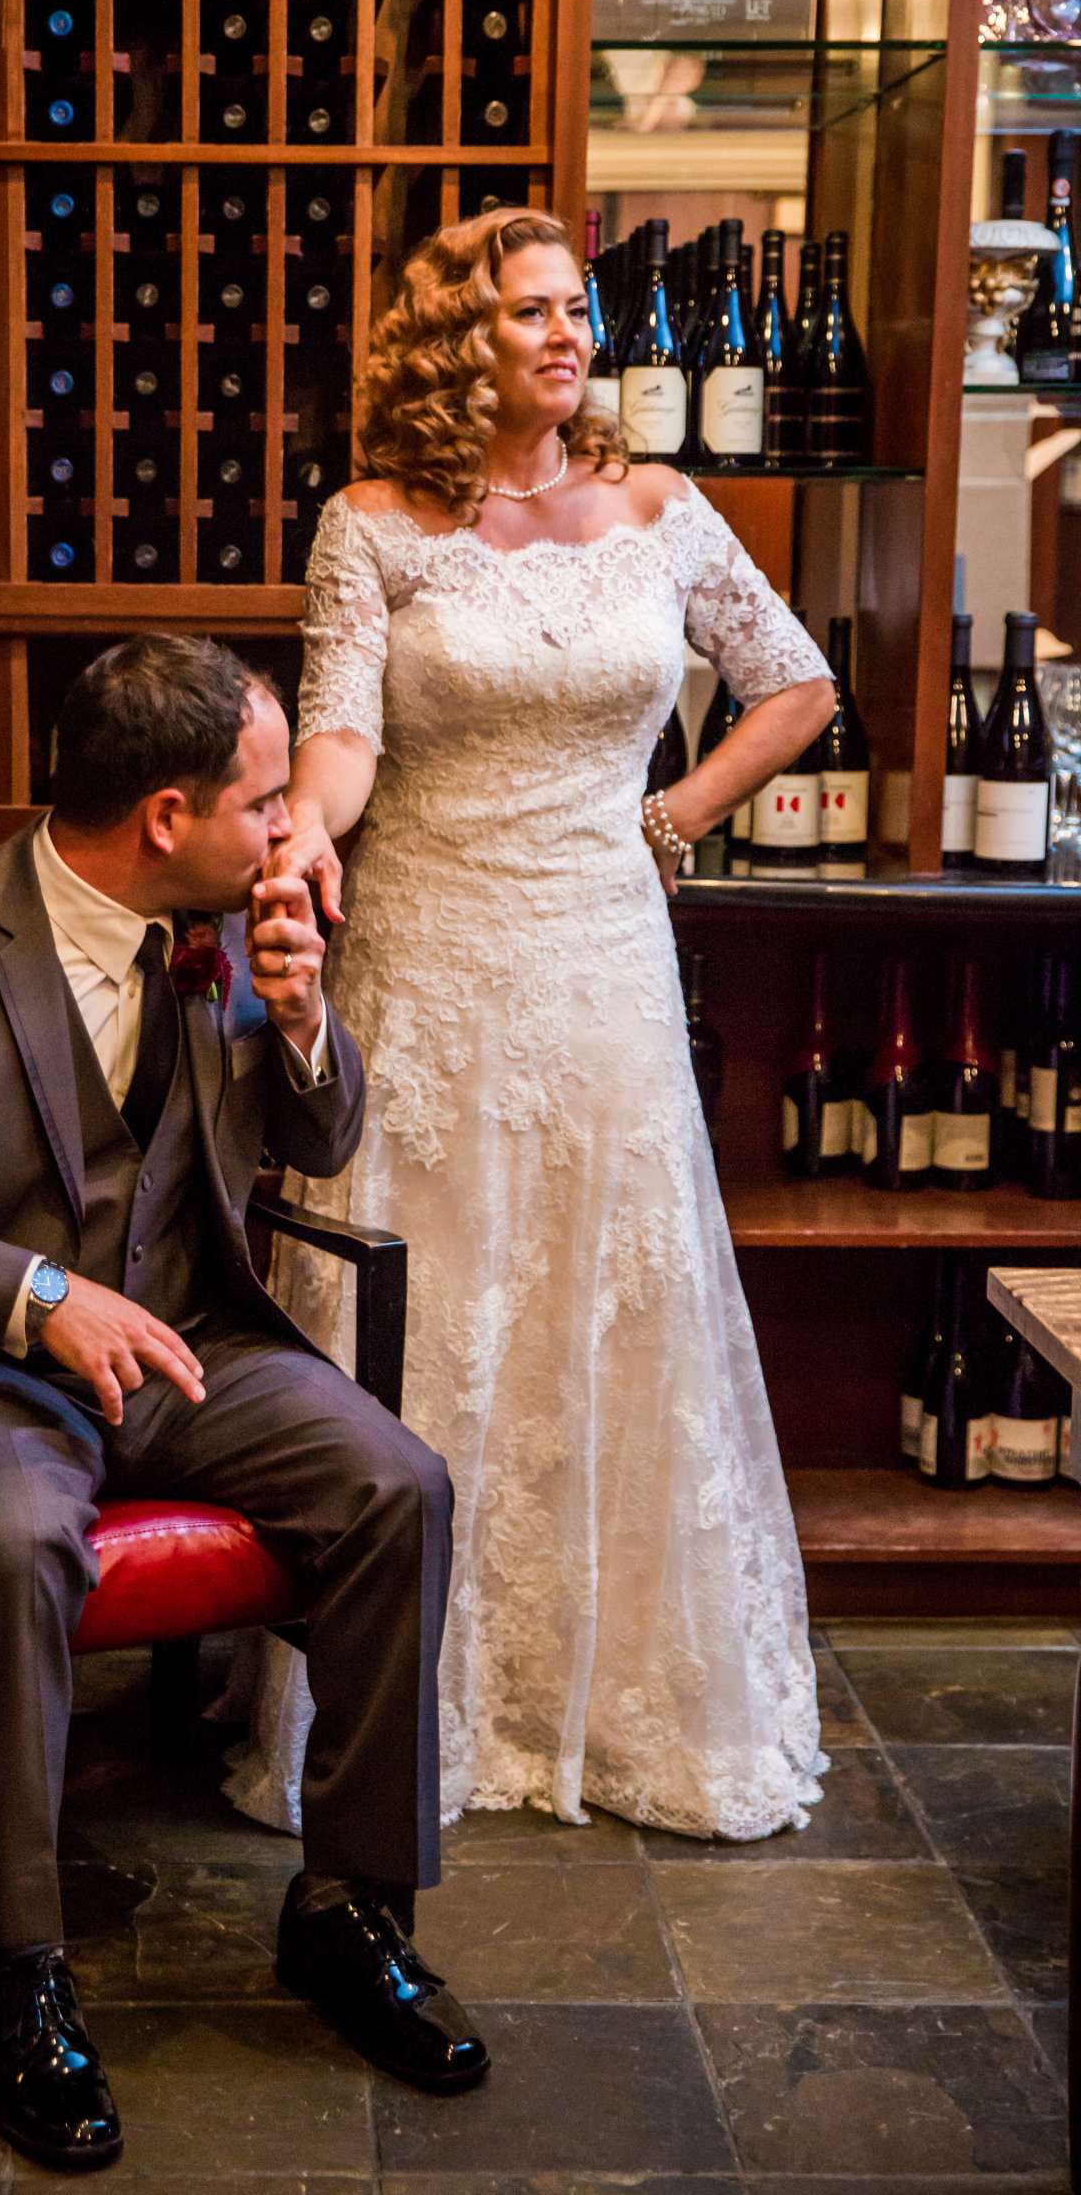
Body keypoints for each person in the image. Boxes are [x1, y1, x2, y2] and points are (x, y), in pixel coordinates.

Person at [0, 636, 486, 2174]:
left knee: (397, 1487)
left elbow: (325, 1130)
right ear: (166, 815)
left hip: (191, 1346)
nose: (292, 831)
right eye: (266, 800)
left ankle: (348, 1910)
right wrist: (33, 1297)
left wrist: (301, 1016)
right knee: (19, 1538)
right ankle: (11, 1974)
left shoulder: (230, 928)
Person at [222, 207, 836, 1851]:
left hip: (603, 963)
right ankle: (408, 1703)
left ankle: (617, 1695)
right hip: (423, 954)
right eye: (530, 314)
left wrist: (676, 813)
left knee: (609, 1299)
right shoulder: (372, 525)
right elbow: (343, 737)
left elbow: (796, 680)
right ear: (455, 342)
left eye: (578, 312)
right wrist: (302, 832)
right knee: (425, 1310)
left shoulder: (659, 505)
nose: (569, 338)